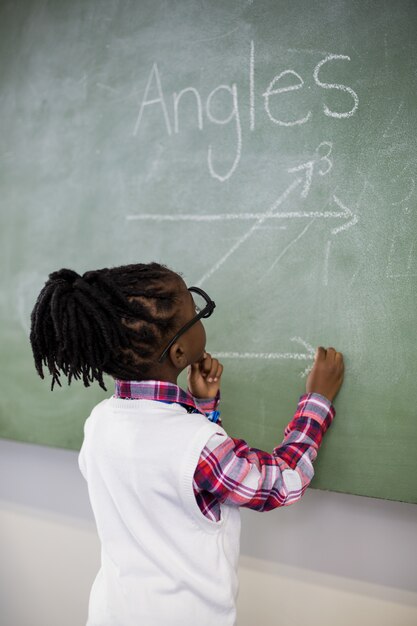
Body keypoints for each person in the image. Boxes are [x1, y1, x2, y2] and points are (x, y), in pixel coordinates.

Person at [30, 262, 344, 626]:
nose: (199, 315)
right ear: (179, 354)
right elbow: (283, 481)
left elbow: (174, 478)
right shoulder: (198, 447)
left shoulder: (100, 421)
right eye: (195, 311)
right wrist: (318, 401)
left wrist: (204, 408)